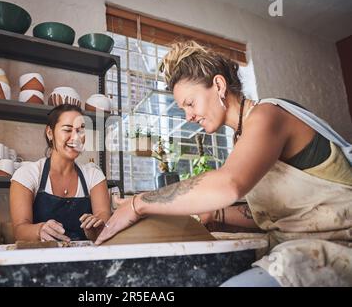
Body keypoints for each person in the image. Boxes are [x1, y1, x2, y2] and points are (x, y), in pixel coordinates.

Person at [95, 40, 352, 287]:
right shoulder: (242, 138)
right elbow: (283, 213)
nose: (188, 116)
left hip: (338, 248)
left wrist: (139, 204)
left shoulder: (268, 115)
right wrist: (213, 214)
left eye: (190, 103)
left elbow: (228, 185)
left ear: (218, 85)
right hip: (296, 247)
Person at [10, 104, 111, 243]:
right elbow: (19, 230)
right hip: (40, 260)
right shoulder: (28, 174)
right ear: (50, 133)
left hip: (84, 259)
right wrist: (39, 230)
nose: (76, 137)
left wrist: (97, 229)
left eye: (81, 130)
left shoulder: (93, 175)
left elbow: (104, 219)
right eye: (68, 130)